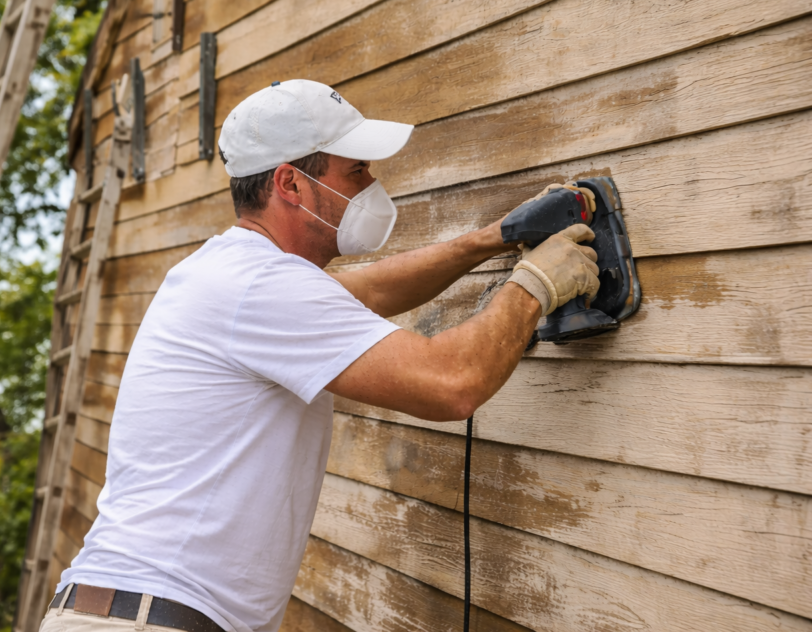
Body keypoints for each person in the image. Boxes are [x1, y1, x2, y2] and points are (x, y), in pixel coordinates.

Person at [40, 80, 600, 632]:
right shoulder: (256, 285)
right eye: (355, 171)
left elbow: (373, 291)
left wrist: (494, 238)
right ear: (291, 183)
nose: (371, 184)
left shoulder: (233, 273)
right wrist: (536, 284)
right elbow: (452, 382)